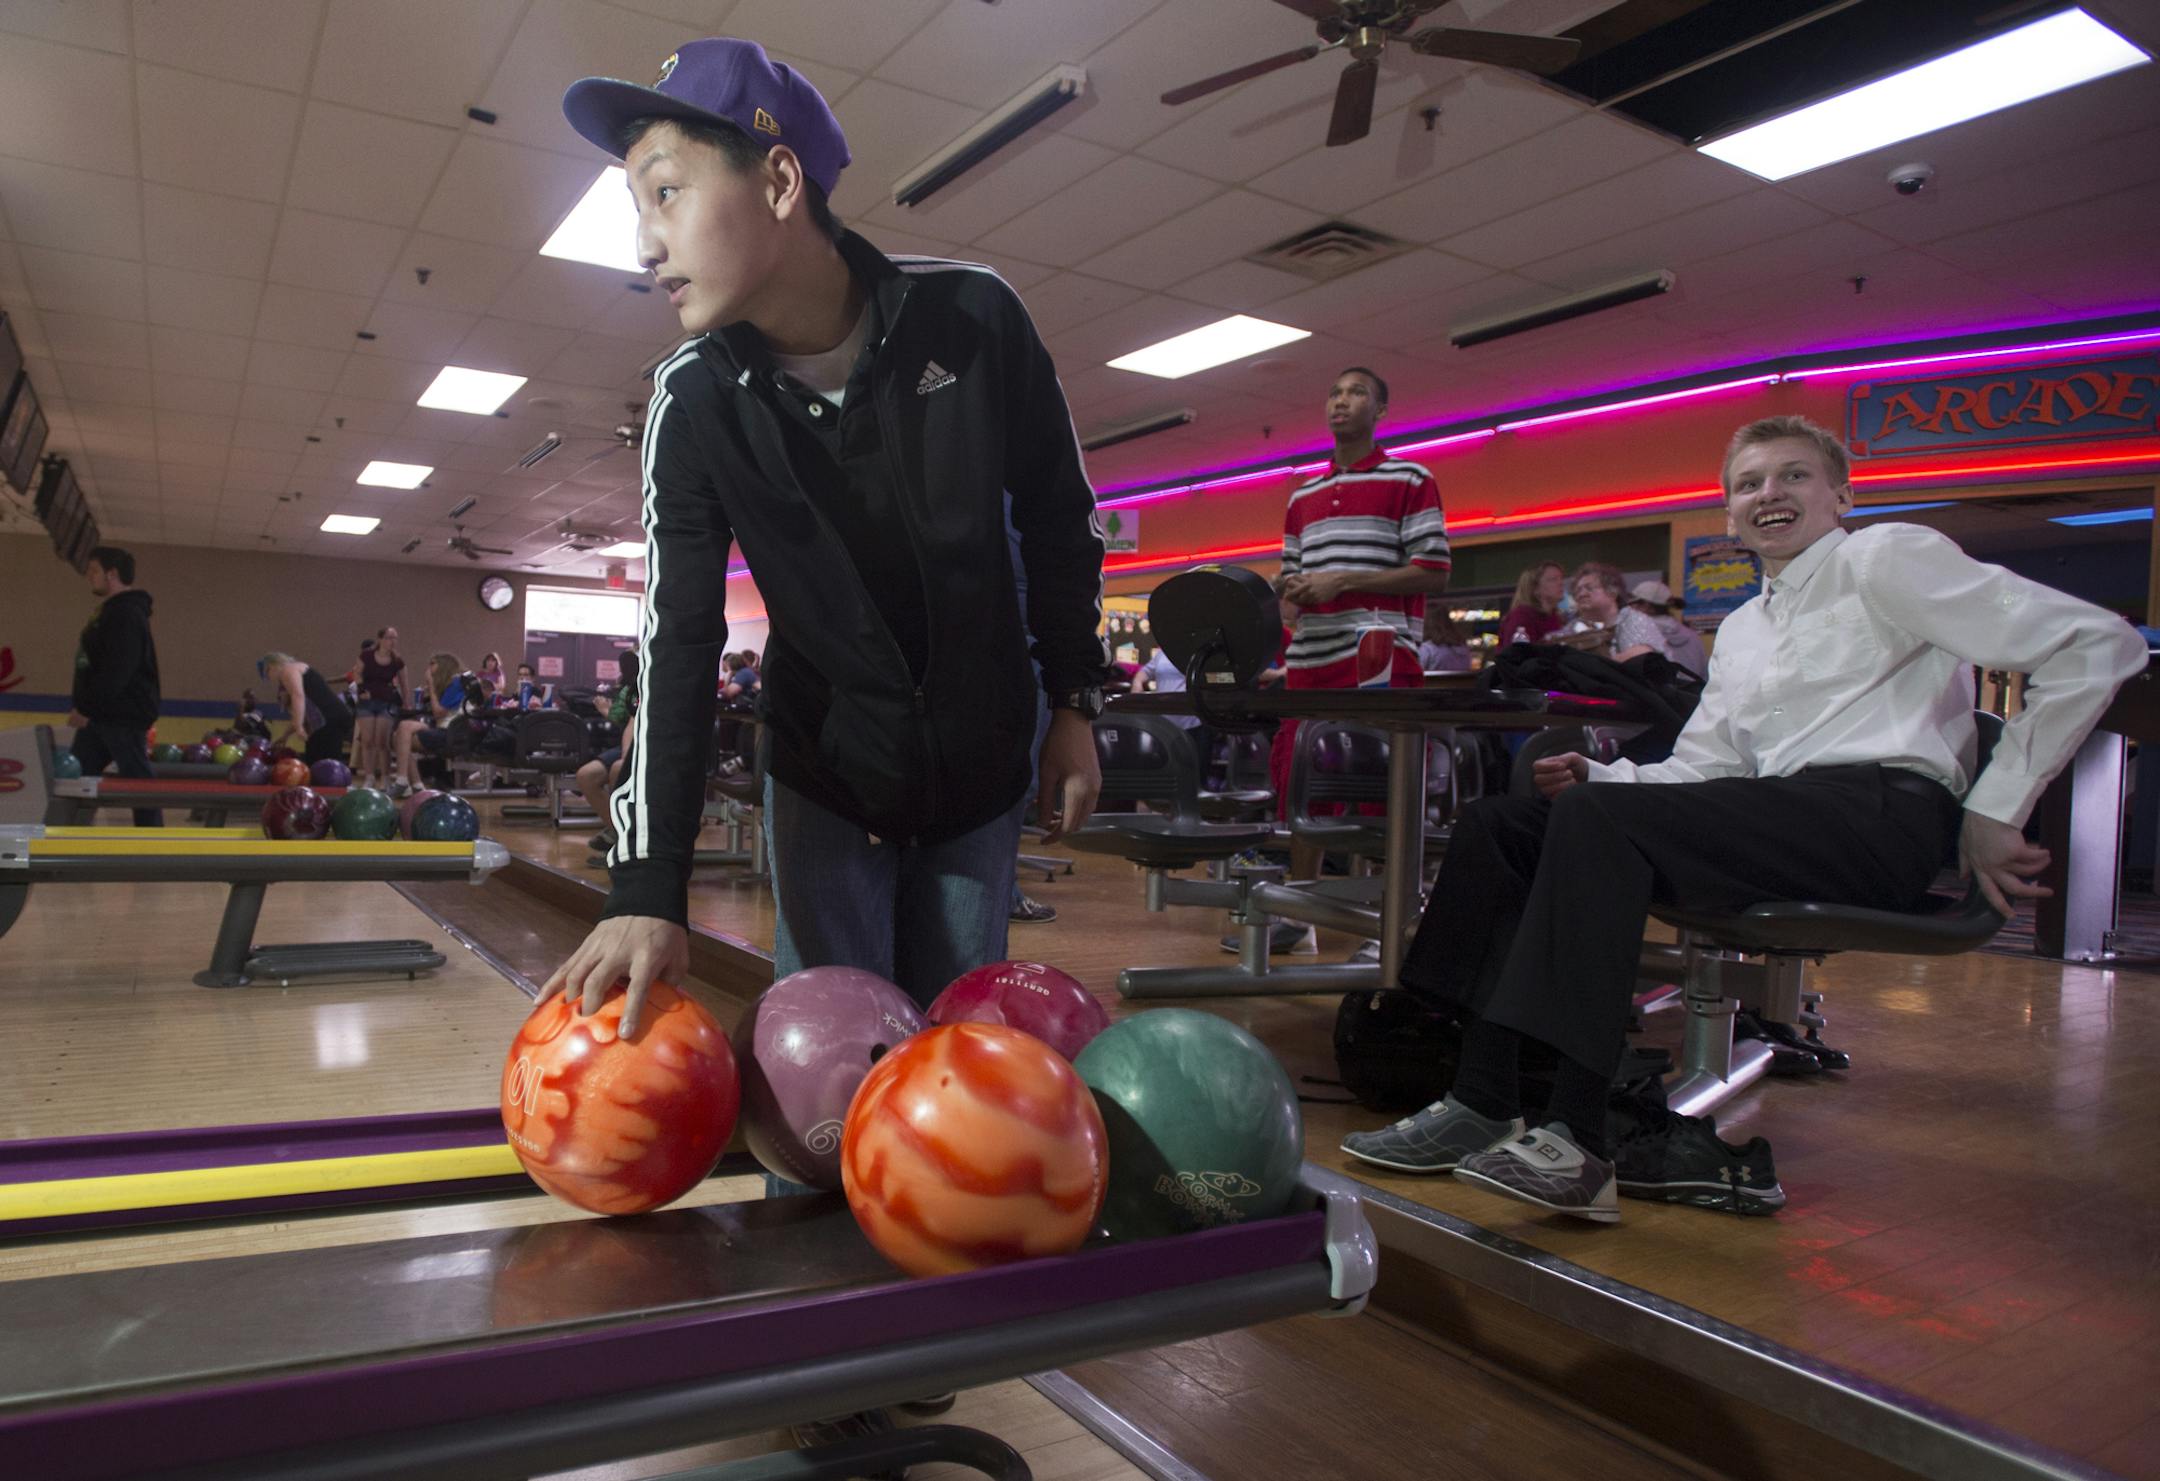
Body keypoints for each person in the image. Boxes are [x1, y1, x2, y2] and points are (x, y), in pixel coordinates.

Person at [1340, 414, 2146, 1222]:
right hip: (1778, 817)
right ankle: (1480, 1095)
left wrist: (1997, 804)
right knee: (1501, 825)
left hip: (1875, 819)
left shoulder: (1884, 557)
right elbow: (1708, 766)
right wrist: (1609, 773)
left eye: (1794, 475)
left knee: (1593, 819)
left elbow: (2096, 644)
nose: (1771, 494)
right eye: (1749, 483)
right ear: (1728, 515)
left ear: (1841, 495)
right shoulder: (1747, 628)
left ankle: (1577, 1140)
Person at [540, 38, 1108, 1034]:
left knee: (957, 1064)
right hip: (827, 772)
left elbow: (1062, 521)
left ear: (779, 180)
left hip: (980, 761)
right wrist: (645, 885)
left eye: (664, 194)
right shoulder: (695, 397)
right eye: (638, 207)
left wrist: (1075, 699)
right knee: (828, 1076)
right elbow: (679, 639)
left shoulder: (974, 319)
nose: (643, 244)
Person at [1253, 365, 1450, 954]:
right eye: (1334, 392)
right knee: (1301, 784)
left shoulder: (1410, 477)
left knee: (1380, 787)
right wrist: (1289, 589)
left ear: (1381, 409)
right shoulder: (1303, 495)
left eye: (1356, 392)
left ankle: (1387, 916)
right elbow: (1294, 575)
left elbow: (1434, 572)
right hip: (1311, 659)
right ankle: (1300, 910)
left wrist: (1344, 580)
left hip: (1380, 657)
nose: (1342, 401)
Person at [66, 546, 162, 827]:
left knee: (139, 782)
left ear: (112, 574)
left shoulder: (127, 615)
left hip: (121, 715)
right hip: (102, 715)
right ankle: (65, 840)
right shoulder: (112, 612)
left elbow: (118, 669)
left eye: (93, 570)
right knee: (77, 778)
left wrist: (86, 707)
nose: (88, 576)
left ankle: (154, 845)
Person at [581, 650, 640, 854]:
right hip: (632, 746)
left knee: (617, 769)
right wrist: (626, 755)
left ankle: (627, 843)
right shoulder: (638, 687)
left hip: (659, 746)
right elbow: (632, 723)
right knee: (586, 776)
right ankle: (618, 832)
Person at [388, 653, 466, 797]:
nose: (429, 668)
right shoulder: (449, 685)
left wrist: (431, 685)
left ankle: (402, 780)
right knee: (398, 734)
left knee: (403, 729)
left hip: (452, 733)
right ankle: (416, 785)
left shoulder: (456, 683)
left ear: (443, 666)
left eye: (432, 664)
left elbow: (438, 713)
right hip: (442, 728)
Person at [258, 651, 353, 767]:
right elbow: (304, 712)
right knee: (317, 757)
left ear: (272, 666)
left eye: (267, 674)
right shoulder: (299, 667)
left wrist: (298, 726)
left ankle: (330, 783)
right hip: (332, 716)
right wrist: (285, 736)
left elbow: (298, 695)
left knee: (322, 763)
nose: (270, 678)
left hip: (329, 718)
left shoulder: (288, 670)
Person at [1559, 562, 1661, 662]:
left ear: (1613, 592)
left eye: (1589, 588)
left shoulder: (1633, 619)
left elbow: (1642, 653)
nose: (1581, 594)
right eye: (1577, 590)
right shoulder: (1574, 625)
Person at [355, 626, 409, 787]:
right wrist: (361, 689)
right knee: (367, 740)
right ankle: (369, 776)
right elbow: (357, 673)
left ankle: (385, 777)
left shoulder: (397, 660)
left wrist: (407, 702)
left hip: (386, 701)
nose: (392, 641)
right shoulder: (366, 656)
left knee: (382, 741)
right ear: (380, 639)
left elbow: (405, 684)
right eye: (388, 637)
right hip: (367, 701)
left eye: (394, 638)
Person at [1629, 580, 1707, 679]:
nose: (1630, 608)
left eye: (1634, 603)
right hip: (1693, 692)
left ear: (1646, 606)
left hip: (1656, 694)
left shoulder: (1639, 634)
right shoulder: (1693, 636)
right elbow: (1705, 674)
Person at [1498, 561, 1566, 648]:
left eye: (1561, 578)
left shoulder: (1553, 616)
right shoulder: (1521, 619)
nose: (1561, 583)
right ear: (1535, 589)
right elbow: (1517, 658)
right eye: (1553, 579)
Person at [1417, 607, 1475, 673]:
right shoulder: (1463, 646)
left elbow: (1415, 675)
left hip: (1435, 683)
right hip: (1463, 683)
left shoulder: (1427, 649)